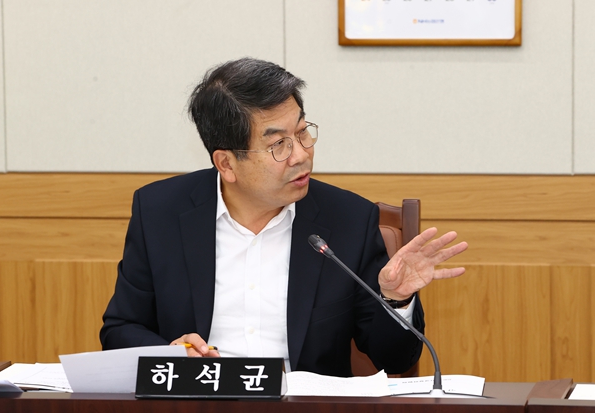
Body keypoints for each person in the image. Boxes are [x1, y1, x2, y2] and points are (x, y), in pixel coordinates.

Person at [100, 57, 468, 377]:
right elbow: (120, 328)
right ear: (226, 163)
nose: (301, 155)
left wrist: (395, 300)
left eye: (303, 132)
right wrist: (171, 353)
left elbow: (396, 359)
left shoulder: (349, 220)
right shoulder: (160, 212)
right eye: (278, 144)